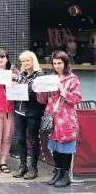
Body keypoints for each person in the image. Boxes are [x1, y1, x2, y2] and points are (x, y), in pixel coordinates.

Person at [36, 51, 82, 188]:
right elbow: (43, 100)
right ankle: (57, 172)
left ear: (65, 63)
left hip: (67, 119)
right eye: (54, 63)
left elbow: (77, 98)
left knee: (66, 147)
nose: (57, 66)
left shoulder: (72, 79)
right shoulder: (50, 78)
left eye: (59, 63)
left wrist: (63, 90)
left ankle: (65, 175)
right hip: (52, 118)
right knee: (55, 147)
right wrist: (39, 91)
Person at [13, 51, 45, 179]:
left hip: (33, 112)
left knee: (33, 140)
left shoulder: (40, 75)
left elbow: (40, 93)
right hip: (19, 111)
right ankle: (23, 166)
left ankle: (33, 168)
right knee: (20, 139)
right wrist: (12, 87)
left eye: (27, 60)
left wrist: (22, 89)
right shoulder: (20, 75)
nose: (25, 63)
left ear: (33, 61)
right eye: (23, 61)